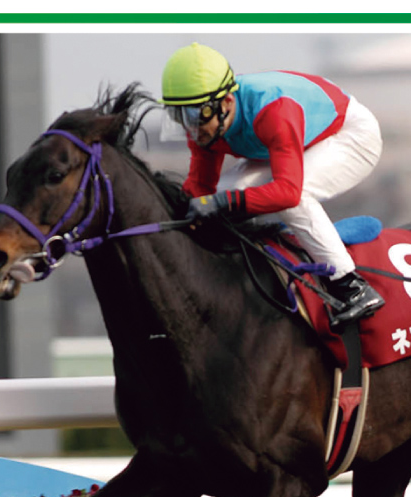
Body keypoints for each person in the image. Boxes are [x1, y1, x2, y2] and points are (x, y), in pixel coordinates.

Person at [160, 42, 385, 328]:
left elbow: (287, 193)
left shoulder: (273, 110)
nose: (191, 128)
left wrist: (223, 203)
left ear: (226, 102)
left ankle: (351, 286)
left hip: (350, 135)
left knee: (295, 198)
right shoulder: (207, 123)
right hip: (295, 141)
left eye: (195, 114)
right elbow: (200, 188)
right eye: (179, 115)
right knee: (222, 194)